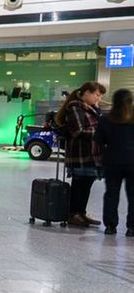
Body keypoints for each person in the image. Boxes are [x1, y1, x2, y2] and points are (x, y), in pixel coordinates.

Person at [57, 81, 106, 228]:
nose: (99, 98)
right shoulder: (75, 107)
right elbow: (78, 131)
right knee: (79, 184)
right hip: (80, 152)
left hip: (92, 152)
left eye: (100, 95)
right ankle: (73, 214)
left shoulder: (92, 108)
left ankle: (81, 212)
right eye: (97, 95)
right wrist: (101, 133)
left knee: (87, 183)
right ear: (86, 93)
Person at [97, 88, 134, 236]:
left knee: (111, 194)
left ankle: (110, 226)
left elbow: (99, 140)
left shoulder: (106, 118)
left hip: (112, 161)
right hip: (133, 162)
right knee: (133, 196)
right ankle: (132, 228)